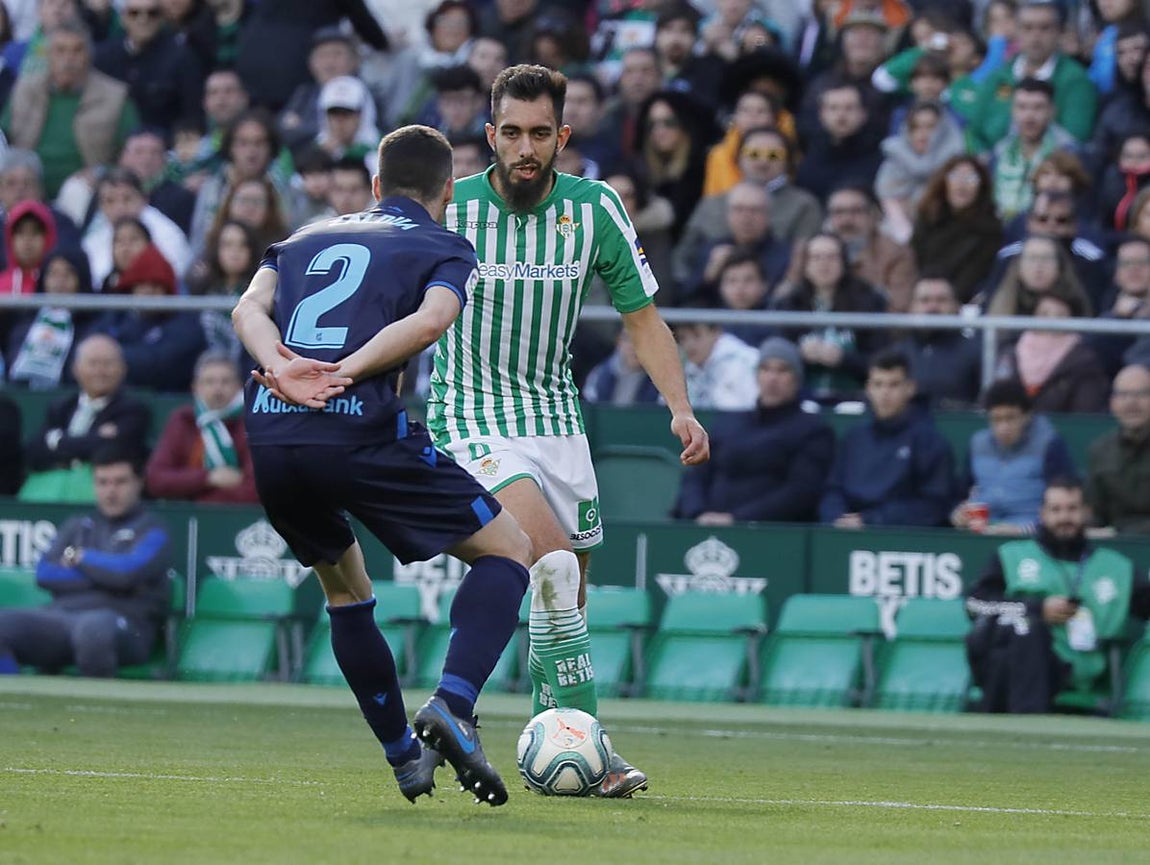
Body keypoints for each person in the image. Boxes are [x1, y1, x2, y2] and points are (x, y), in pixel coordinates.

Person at [231, 124, 532, 807]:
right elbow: (430, 322)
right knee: (510, 549)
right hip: (355, 428)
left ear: (374, 186)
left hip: (274, 431)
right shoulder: (443, 243)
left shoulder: (303, 238)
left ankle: (405, 758)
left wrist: (283, 367)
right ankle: (455, 702)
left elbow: (247, 307)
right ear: (446, 192)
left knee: (345, 589)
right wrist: (342, 373)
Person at [432, 65, 709, 798]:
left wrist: (678, 405)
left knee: (571, 592)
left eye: (540, 134)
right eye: (512, 133)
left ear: (563, 136)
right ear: (489, 136)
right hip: (469, 414)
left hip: (555, 417)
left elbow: (642, 318)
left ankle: (550, 737)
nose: (526, 147)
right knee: (546, 563)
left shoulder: (595, 210)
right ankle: (584, 744)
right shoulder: (447, 209)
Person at [964, 478, 1150, 713]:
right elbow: (974, 605)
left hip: (1079, 674)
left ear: (1086, 513)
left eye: (1072, 509)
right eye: (1056, 510)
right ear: (1042, 514)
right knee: (1027, 628)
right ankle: (1026, 723)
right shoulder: (1012, 557)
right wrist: (1036, 608)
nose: (1064, 518)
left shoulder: (1115, 568)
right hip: (1009, 669)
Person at [0, 445, 172, 677]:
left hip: (125, 624)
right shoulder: (78, 525)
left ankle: (97, 710)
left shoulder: (153, 530)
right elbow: (45, 573)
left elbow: (127, 573)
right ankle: (16, 703)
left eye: (120, 482)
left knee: (93, 629)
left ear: (139, 482)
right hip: (60, 617)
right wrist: (107, 574)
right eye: (102, 482)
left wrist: (81, 557)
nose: (110, 492)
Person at [674, 337, 834, 525]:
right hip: (705, 527)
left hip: (770, 534)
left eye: (782, 370)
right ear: (756, 375)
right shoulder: (729, 423)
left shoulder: (812, 430)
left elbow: (801, 492)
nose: (772, 378)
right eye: (765, 369)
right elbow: (696, 476)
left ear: (797, 378)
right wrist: (697, 513)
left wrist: (736, 519)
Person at [819, 349, 956, 528]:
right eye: (878, 384)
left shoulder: (930, 442)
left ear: (910, 388)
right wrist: (836, 518)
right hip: (846, 534)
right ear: (868, 388)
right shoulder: (853, 438)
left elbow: (934, 506)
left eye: (894, 385)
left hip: (900, 541)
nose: (885, 393)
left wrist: (870, 520)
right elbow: (833, 491)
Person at [953, 379, 1076, 536]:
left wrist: (1023, 531)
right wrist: (958, 514)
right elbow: (960, 494)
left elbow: (1062, 505)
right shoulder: (978, 444)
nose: (1003, 427)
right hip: (982, 530)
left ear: (1027, 416)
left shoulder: (1049, 444)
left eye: (1010, 418)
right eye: (996, 419)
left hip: (1029, 535)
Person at [24, 334, 150, 473]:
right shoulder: (61, 407)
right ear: (76, 370)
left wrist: (56, 440)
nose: (100, 371)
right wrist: (93, 438)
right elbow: (34, 450)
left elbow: (108, 450)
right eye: (93, 363)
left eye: (108, 364)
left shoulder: (132, 410)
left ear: (123, 369)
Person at [145, 350, 257, 504]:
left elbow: (255, 489)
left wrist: (195, 497)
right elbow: (156, 479)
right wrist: (209, 478)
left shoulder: (249, 422)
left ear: (239, 386)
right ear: (195, 387)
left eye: (225, 381)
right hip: (186, 516)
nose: (217, 389)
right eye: (209, 382)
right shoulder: (183, 420)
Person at [890, 275, 981, 409]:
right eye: (924, 300)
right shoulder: (897, 353)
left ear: (957, 307)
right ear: (911, 308)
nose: (932, 307)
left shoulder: (976, 352)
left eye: (941, 300)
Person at [1086, 364, 1150, 535]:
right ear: (1112, 403)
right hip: (1112, 550)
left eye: (1141, 394)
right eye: (1123, 395)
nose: (1131, 402)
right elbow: (1095, 515)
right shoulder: (1100, 450)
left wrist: (1120, 531)